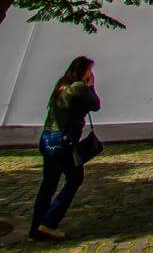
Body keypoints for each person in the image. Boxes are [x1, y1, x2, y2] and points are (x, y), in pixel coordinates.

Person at [31, 56, 101, 241]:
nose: (91, 73)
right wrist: (91, 85)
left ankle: (35, 228)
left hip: (47, 138)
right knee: (75, 178)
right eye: (89, 70)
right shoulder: (79, 87)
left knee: (48, 184)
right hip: (63, 141)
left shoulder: (61, 85)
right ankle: (49, 222)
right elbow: (95, 105)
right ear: (83, 70)